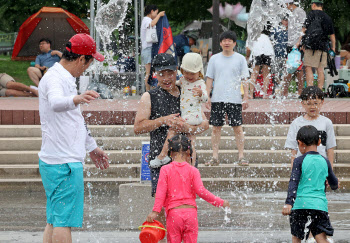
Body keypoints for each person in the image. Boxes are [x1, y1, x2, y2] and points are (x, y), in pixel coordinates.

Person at [38, 33, 109, 243]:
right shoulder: (55, 78)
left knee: (54, 219)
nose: (87, 68)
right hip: (64, 163)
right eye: (89, 62)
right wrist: (76, 98)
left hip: (57, 160)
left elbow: (75, 119)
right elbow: (56, 103)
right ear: (81, 59)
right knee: (63, 221)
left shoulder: (63, 77)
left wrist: (92, 147)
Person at [134, 53, 209, 197]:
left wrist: (190, 128)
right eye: (161, 74)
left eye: (170, 73)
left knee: (186, 204)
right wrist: (164, 120)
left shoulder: (187, 90)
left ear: (177, 71)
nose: (166, 79)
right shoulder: (149, 96)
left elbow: (205, 124)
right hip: (161, 160)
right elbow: (137, 128)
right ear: (155, 74)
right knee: (161, 203)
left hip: (186, 160)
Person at [146, 134, 230, 243]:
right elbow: (201, 191)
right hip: (191, 215)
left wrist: (155, 212)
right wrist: (220, 202)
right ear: (189, 153)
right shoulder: (193, 171)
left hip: (174, 214)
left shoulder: (165, 170)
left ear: (170, 153)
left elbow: (160, 193)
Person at [149, 53, 208, 167]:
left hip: (192, 117)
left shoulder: (200, 83)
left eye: (192, 73)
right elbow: (175, 84)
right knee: (191, 144)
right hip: (190, 116)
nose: (189, 76)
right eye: (186, 72)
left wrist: (201, 94)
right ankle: (191, 167)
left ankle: (162, 156)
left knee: (173, 130)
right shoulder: (183, 81)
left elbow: (205, 122)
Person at [282, 125, 339, 243]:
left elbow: (293, 182)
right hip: (319, 206)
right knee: (321, 238)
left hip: (299, 206)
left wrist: (289, 203)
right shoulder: (325, 161)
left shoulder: (298, 161)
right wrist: (335, 185)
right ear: (319, 142)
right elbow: (333, 183)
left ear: (300, 143)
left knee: (297, 238)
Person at [206, 31, 250, 166]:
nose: (226, 42)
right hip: (217, 98)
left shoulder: (240, 59)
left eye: (229, 40)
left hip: (235, 98)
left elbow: (245, 79)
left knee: (238, 127)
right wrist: (207, 96)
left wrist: (246, 96)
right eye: (224, 40)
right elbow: (209, 78)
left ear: (234, 43)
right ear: (220, 43)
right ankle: (214, 157)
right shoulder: (214, 59)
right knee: (215, 128)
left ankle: (241, 156)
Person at [285, 86, 336, 168]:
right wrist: (293, 170)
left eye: (315, 103)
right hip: (302, 166)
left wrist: (330, 171)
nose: (312, 107)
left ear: (322, 102)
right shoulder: (296, 123)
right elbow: (293, 149)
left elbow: (330, 148)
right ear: (303, 103)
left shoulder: (327, 123)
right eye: (308, 104)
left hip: (321, 166)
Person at [297, 0, 336, 90]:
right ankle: (319, 91)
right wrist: (333, 47)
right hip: (323, 46)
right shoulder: (327, 17)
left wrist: (299, 42)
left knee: (308, 67)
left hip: (310, 45)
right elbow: (332, 35)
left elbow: (303, 30)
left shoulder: (310, 15)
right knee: (320, 69)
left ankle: (310, 90)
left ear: (314, 5)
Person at [282, 0, 306, 97]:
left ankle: (300, 91)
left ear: (288, 3)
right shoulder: (290, 13)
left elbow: (304, 28)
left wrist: (299, 42)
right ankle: (285, 92)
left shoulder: (300, 11)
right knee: (288, 68)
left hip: (297, 45)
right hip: (290, 44)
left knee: (299, 69)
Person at [140, 4, 165, 91]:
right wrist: (159, 15)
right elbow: (152, 23)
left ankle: (150, 91)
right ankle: (147, 92)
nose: (156, 14)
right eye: (156, 12)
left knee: (151, 72)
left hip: (149, 49)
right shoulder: (146, 20)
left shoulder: (148, 19)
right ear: (152, 11)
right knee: (148, 72)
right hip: (147, 49)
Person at [247, 25, 275, 99]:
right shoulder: (267, 37)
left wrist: (247, 57)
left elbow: (248, 48)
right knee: (266, 74)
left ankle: (251, 94)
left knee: (254, 73)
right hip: (268, 52)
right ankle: (265, 94)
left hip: (257, 52)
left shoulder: (253, 35)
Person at [271, 16, 289, 86]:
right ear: (281, 20)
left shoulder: (290, 31)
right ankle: (277, 87)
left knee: (285, 73)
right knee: (275, 73)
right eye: (285, 20)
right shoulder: (276, 30)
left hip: (286, 56)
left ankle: (283, 88)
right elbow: (271, 40)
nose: (286, 22)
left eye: (287, 20)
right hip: (276, 55)